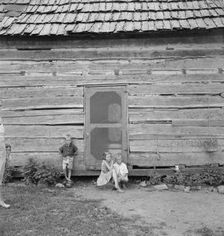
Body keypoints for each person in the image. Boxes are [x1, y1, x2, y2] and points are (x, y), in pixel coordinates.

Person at [0, 143, 11, 208]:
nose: (8, 152)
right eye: (6, 150)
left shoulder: (7, 158)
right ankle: (1, 201)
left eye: (9, 150)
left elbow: (7, 166)